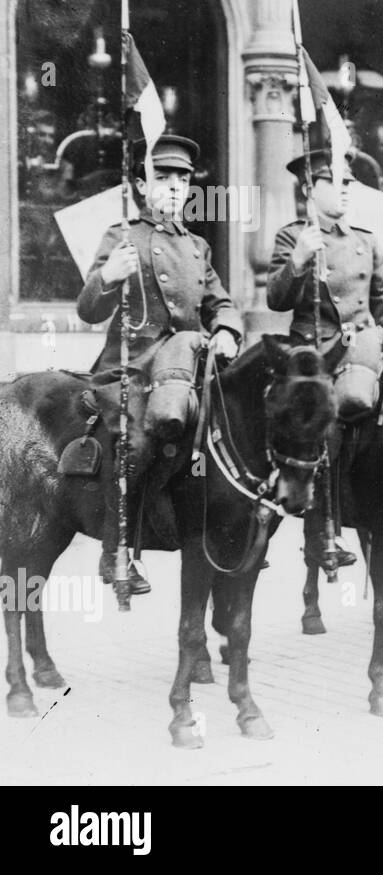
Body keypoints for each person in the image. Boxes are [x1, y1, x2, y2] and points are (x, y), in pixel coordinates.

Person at [77, 134, 243, 593]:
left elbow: (220, 303)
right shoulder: (122, 235)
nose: (174, 186)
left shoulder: (197, 247)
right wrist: (109, 277)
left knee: (235, 431)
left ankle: (230, 531)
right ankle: (119, 550)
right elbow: (88, 310)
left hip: (188, 365)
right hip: (133, 364)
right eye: (162, 177)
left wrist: (227, 329)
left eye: (182, 178)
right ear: (140, 183)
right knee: (138, 440)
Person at [267, 148, 383, 570]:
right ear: (308, 190)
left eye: (349, 182)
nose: (346, 190)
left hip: (363, 346)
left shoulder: (365, 240)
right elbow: (277, 299)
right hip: (312, 353)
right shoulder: (291, 236)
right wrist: (299, 259)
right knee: (327, 423)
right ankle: (321, 531)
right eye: (334, 182)